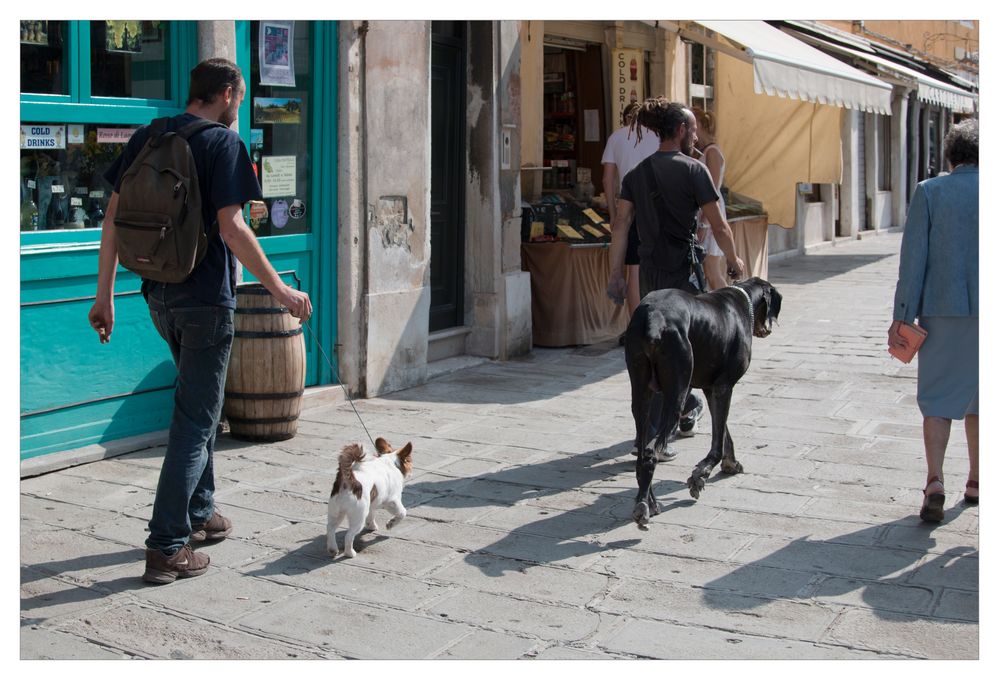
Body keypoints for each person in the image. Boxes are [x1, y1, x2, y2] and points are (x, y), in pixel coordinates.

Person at [88, 58, 313, 583]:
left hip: (158, 296)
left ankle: (200, 511)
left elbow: (112, 219)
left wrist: (106, 297)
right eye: (239, 96)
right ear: (230, 93)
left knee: (200, 408)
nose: (238, 104)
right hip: (206, 301)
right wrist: (280, 290)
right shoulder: (222, 143)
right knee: (195, 421)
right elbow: (232, 228)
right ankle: (167, 546)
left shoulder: (150, 134)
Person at [607, 98, 745, 458]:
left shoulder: (636, 174)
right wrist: (734, 260)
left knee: (654, 351)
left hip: (651, 276)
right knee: (687, 355)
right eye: (693, 130)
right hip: (684, 277)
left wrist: (615, 275)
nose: (696, 137)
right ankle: (671, 427)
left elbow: (620, 225)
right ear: (681, 130)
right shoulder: (695, 171)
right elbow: (719, 224)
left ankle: (652, 431)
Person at [888, 118, 978, 523]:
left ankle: (935, 480)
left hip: (941, 310)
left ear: (950, 155)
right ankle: (977, 480)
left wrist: (901, 317)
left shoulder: (930, 192)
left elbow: (913, 261)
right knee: (982, 399)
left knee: (938, 398)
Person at [601, 102, 660, 320]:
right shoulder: (658, 135)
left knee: (633, 268)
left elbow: (607, 179)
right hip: (655, 206)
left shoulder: (616, 137)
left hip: (627, 204)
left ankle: (635, 326)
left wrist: (612, 213)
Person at [692, 107, 729, 291]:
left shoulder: (712, 152)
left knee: (713, 271)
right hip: (704, 212)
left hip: (709, 214)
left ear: (697, 125)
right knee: (707, 271)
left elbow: (712, 191)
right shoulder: (702, 151)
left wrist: (705, 224)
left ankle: (729, 310)